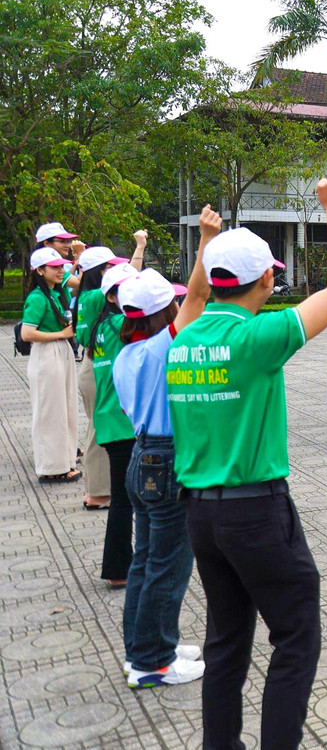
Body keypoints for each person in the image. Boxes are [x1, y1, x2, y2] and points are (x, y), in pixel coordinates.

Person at [167, 180, 327, 749]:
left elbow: (197, 299)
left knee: (226, 642)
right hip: (256, 511)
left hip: (200, 515)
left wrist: (207, 243)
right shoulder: (259, 337)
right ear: (268, 279)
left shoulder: (182, 337)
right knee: (296, 635)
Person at [114, 254, 211, 688]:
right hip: (166, 460)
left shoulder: (125, 355)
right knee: (168, 566)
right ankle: (154, 663)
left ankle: (144, 649)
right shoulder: (161, 347)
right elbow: (199, 295)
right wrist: (207, 241)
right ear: (162, 313)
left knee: (145, 561)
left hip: (141, 458)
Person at [73, 238, 142, 509]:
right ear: (99, 273)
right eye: (108, 267)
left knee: (98, 426)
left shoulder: (86, 295)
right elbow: (132, 279)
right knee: (98, 430)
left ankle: (97, 489)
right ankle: (99, 492)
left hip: (94, 361)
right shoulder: (97, 296)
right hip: (98, 364)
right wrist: (138, 248)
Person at [92, 262, 140, 589]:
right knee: (125, 499)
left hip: (111, 419)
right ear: (111, 296)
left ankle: (122, 563)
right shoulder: (123, 323)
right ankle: (118, 568)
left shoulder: (104, 326)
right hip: (122, 422)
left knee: (125, 496)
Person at [23, 246, 80, 483]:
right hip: (47, 354)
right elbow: (27, 333)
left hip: (61, 351)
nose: (60, 270)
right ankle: (50, 467)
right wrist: (61, 335)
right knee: (50, 412)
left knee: (65, 408)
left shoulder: (56, 294)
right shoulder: (37, 297)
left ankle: (64, 462)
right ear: (39, 270)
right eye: (55, 267)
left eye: (61, 266)